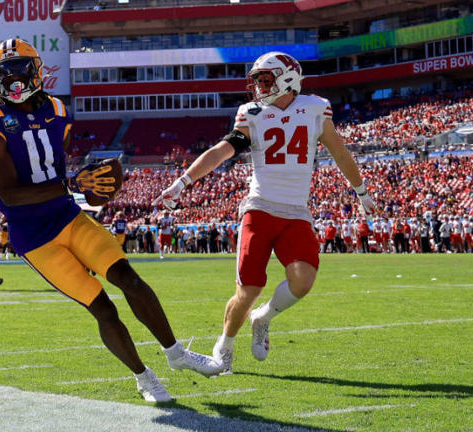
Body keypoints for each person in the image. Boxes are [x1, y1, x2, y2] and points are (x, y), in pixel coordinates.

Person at [0, 38, 224, 402]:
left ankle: (176, 353)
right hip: (34, 236)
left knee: (128, 277)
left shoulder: (57, 109)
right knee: (101, 306)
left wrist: (77, 186)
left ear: (36, 71)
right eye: (5, 73)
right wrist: (69, 184)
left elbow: (48, 165)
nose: (13, 79)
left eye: (20, 69)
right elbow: (10, 193)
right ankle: (144, 377)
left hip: (68, 216)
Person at [153, 51, 377, 373]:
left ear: (287, 78)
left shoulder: (315, 108)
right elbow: (222, 151)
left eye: (265, 79)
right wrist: (183, 181)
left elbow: (339, 153)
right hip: (260, 208)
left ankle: (263, 317)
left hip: (296, 211)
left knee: (303, 281)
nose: (259, 86)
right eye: (257, 80)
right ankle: (225, 345)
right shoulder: (252, 113)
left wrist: (362, 191)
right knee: (249, 289)